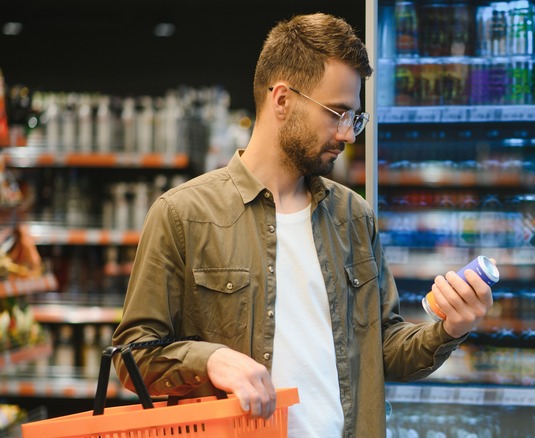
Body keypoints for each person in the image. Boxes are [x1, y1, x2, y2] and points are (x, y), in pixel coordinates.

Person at [112, 13, 493, 437]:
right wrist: (212, 360)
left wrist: (450, 328)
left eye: (356, 119)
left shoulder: (354, 216)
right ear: (282, 100)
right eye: (338, 113)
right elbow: (133, 354)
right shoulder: (183, 215)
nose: (348, 135)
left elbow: (382, 350)